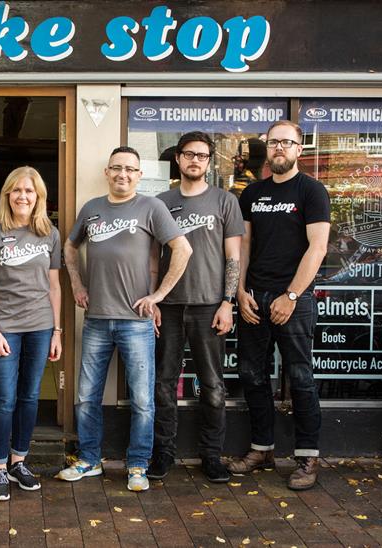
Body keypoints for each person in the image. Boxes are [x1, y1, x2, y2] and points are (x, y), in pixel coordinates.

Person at [57, 146, 192, 492]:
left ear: (139, 175)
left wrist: (158, 295)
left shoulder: (151, 207)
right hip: (97, 319)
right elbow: (70, 248)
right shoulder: (92, 209)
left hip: (136, 322)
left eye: (130, 169)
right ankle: (88, 460)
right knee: (87, 396)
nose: (123, 174)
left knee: (143, 400)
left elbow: (183, 248)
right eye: (117, 168)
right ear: (107, 171)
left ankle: (137, 465)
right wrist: (77, 283)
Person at [229, 120, 330, 490]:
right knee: (252, 376)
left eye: (287, 143)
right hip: (255, 297)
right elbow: (243, 247)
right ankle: (262, 448)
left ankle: (307, 458)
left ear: (299, 150)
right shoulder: (252, 193)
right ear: (267, 148)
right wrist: (239, 292)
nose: (279, 148)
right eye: (273, 143)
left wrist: (291, 295)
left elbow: (317, 249)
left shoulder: (312, 191)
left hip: (295, 299)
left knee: (300, 378)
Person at [148, 132, 244, 483]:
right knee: (163, 384)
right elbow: (154, 260)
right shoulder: (160, 203)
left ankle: (212, 456)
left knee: (214, 386)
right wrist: (155, 298)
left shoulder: (225, 201)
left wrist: (227, 303)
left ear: (210, 161)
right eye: (189, 154)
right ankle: (163, 455)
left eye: (202, 156)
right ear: (178, 158)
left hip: (208, 307)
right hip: (170, 307)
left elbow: (233, 256)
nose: (195, 160)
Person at [0, 166, 62, 501]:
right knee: (4, 399)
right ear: (7, 195)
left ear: (38, 197)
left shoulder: (49, 233)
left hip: (40, 327)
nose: (23, 196)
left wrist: (57, 331)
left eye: (30, 191)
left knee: (30, 397)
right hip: (6, 327)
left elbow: (54, 286)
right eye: (17, 190)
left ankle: (18, 461)